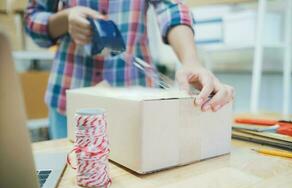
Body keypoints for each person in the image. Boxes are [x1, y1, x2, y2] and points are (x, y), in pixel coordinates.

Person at [25, 0, 234, 139]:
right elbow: (33, 17)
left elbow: (171, 7)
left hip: (135, 103)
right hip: (69, 100)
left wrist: (191, 62)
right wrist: (65, 19)